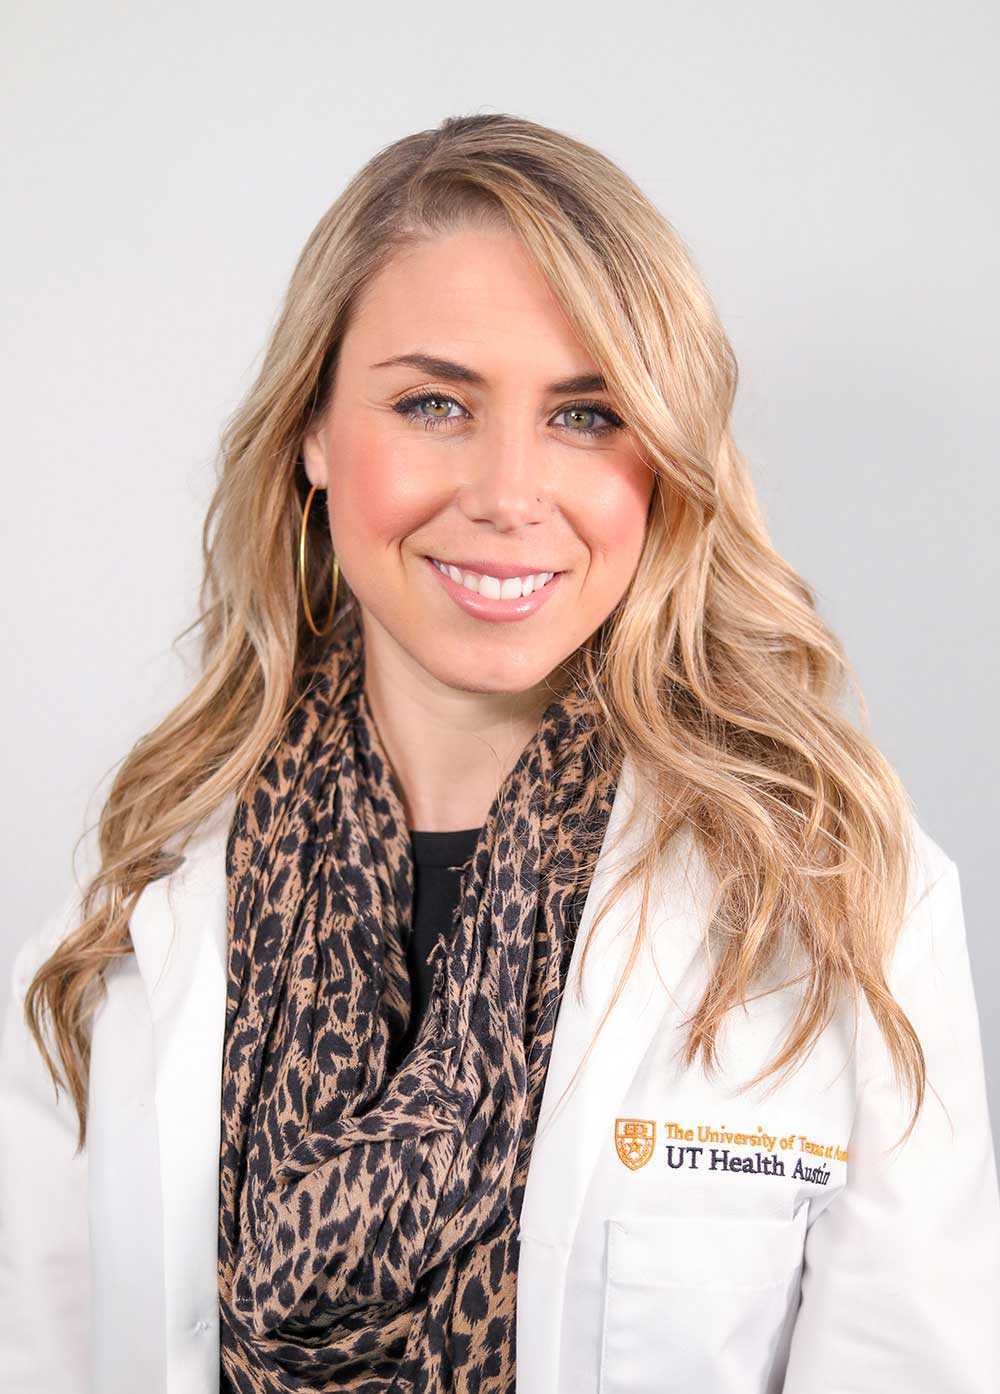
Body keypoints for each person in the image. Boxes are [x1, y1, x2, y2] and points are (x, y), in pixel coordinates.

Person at [1, 111, 997, 1394]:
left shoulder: (839, 894)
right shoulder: (128, 917)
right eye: (432, 403)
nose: (509, 490)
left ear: (666, 462)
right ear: (310, 433)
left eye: (586, 416)